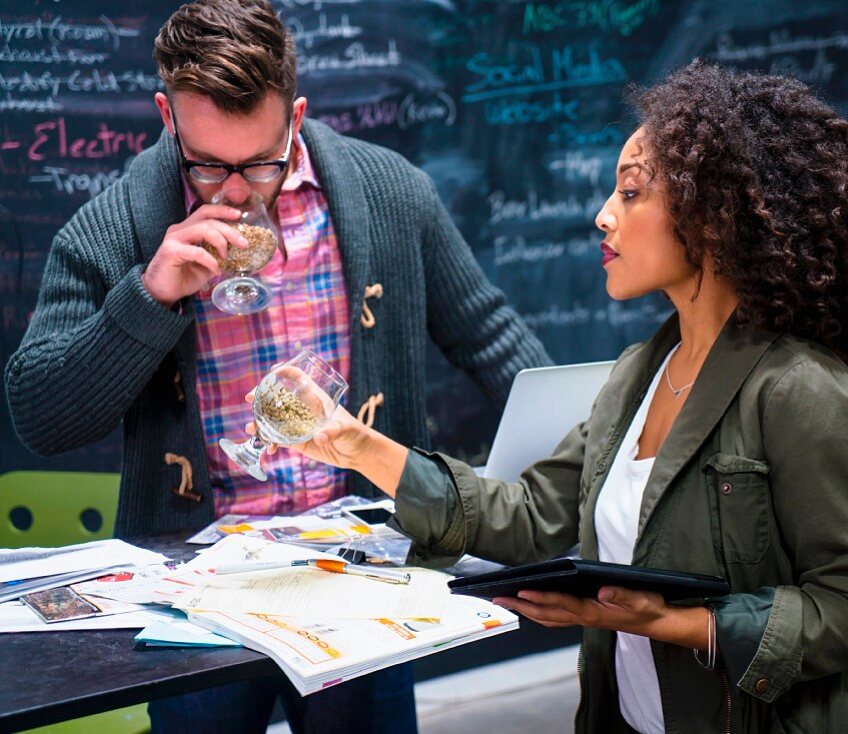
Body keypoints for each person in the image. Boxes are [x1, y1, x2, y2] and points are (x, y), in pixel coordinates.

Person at [264, 61, 848, 733]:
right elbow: (532, 517)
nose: (603, 216)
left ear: (712, 214)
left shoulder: (805, 396)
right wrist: (354, 443)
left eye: (632, 193)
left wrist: (674, 622)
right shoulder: (639, 375)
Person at [4, 1, 549, 732]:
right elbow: (39, 415)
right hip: (194, 593)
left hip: (366, 573)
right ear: (168, 116)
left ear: (296, 114)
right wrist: (149, 296)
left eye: (260, 162)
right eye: (206, 165)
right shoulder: (115, 226)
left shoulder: (387, 191)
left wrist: (581, 456)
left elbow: (486, 336)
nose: (234, 192)